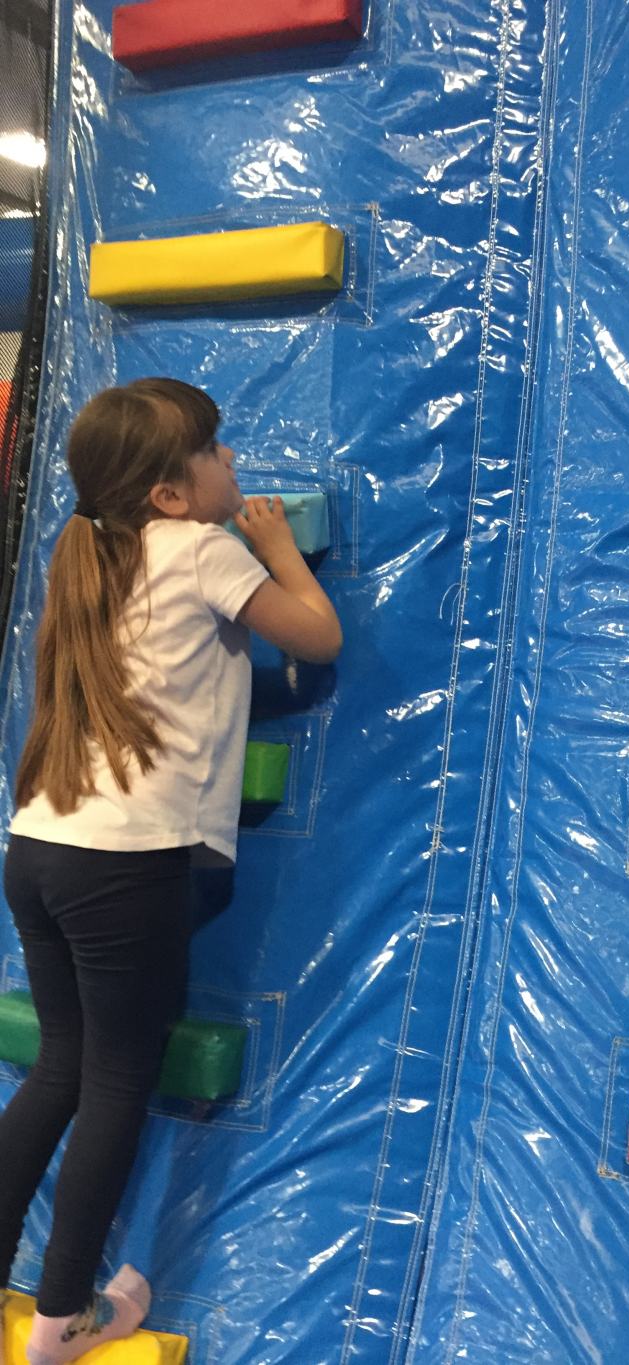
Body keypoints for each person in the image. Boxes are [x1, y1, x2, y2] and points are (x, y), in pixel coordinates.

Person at [0, 377, 342, 1364]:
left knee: (59, 1070)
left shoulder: (93, 558)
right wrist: (277, 549)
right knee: (116, 1079)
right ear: (171, 494)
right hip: (127, 865)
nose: (233, 461)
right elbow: (318, 636)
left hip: (39, 848)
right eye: (215, 450)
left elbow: (194, 683)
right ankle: (63, 1320)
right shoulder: (201, 549)